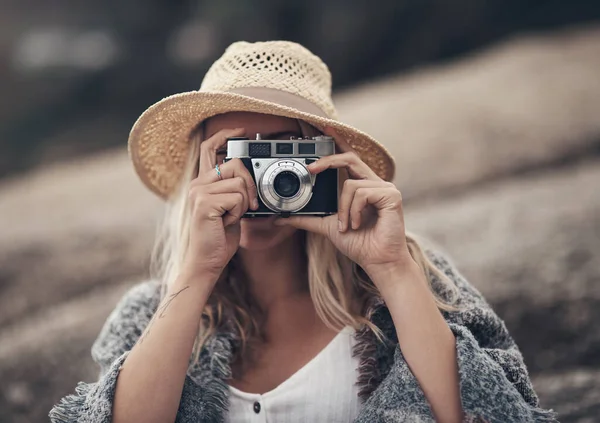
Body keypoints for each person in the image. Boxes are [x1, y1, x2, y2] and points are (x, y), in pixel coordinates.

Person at [49, 41, 556, 423]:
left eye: (280, 154)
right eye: (233, 155)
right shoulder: (150, 312)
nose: (257, 179)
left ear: (325, 159)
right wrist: (198, 272)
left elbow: (486, 413)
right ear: (197, 173)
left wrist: (393, 270)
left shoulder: (410, 279)